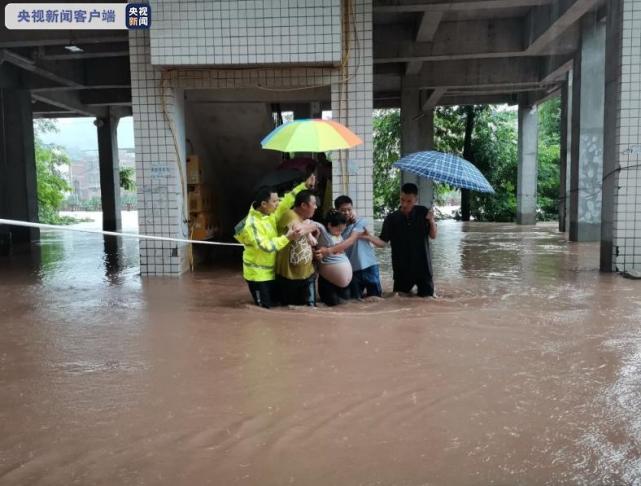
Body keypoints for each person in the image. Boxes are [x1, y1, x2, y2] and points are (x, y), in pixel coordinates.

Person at [234, 174, 315, 308]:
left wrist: (304, 185)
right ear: (264, 204)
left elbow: (288, 200)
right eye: (275, 201)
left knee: (279, 305)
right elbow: (266, 246)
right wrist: (287, 237)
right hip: (258, 276)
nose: (278, 204)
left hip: (272, 272)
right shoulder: (252, 224)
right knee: (265, 309)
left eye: (278, 200)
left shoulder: (270, 214)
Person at [379, 183, 438, 297]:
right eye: (402, 200)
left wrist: (431, 221)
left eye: (409, 201)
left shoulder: (423, 212)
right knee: (399, 302)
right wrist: (366, 237)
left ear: (416, 199)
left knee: (428, 303)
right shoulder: (391, 218)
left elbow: (433, 236)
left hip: (423, 268)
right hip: (402, 270)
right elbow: (383, 241)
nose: (404, 204)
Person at [276, 190, 321, 307]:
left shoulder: (305, 219)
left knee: (311, 311)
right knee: (290, 314)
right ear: (303, 205)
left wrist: (312, 232)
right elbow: (298, 230)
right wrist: (313, 226)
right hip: (289, 277)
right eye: (314, 204)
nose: (316, 207)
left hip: (308, 274)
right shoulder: (289, 214)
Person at [333, 195, 384, 299]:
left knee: (376, 299)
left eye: (349, 209)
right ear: (337, 211)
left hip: (370, 266)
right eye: (343, 210)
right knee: (355, 301)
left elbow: (352, 239)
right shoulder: (337, 229)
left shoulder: (361, 221)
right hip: (352, 270)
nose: (347, 212)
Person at [312, 210, 354, 307]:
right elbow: (311, 223)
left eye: (342, 230)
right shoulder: (323, 234)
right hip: (328, 281)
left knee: (345, 306)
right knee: (332, 305)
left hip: (343, 283)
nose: (340, 232)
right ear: (330, 225)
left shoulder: (338, 235)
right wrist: (310, 236)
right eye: (338, 229)